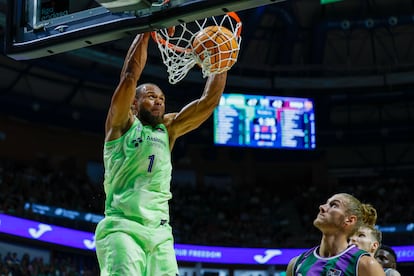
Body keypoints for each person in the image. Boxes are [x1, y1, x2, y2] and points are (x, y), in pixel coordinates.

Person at [94, 31, 229, 276]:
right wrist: (146, 31)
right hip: (122, 227)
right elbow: (129, 77)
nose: (158, 102)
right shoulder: (120, 126)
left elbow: (208, 102)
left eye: (162, 98)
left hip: (160, 233)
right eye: (150, 97)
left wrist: (220, 60)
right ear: (134, 104)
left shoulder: (168, 129)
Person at [286, 193, 385, 276]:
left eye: (334, 205)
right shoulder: (296, 263)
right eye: (326, 204)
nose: (322, 207)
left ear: (349, 220)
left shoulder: (365, 264)